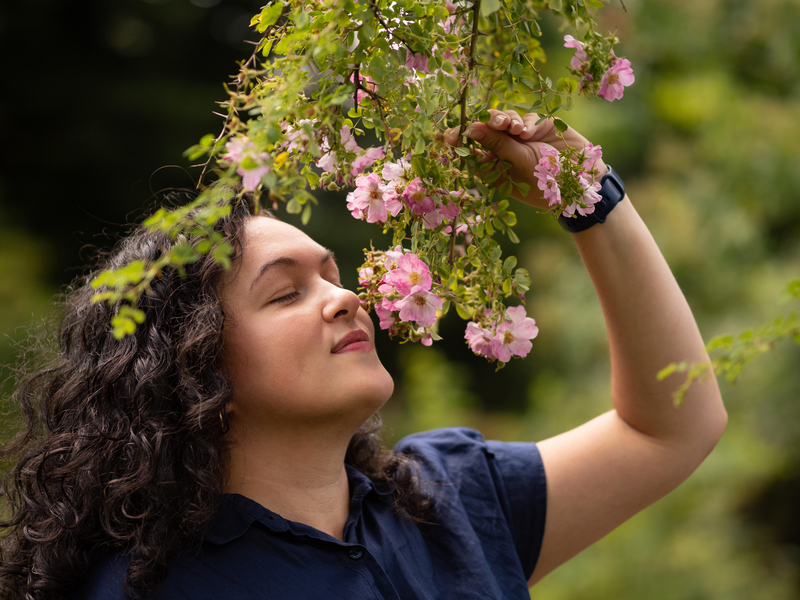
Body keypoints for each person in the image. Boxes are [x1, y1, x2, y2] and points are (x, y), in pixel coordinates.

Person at [0, 110, 727, 600]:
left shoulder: (451, 501)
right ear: (189, 364)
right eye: (285, 295)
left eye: (332, 276)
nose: (345, 299)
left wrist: (589, 197)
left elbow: (670, 428)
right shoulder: (145, 586)